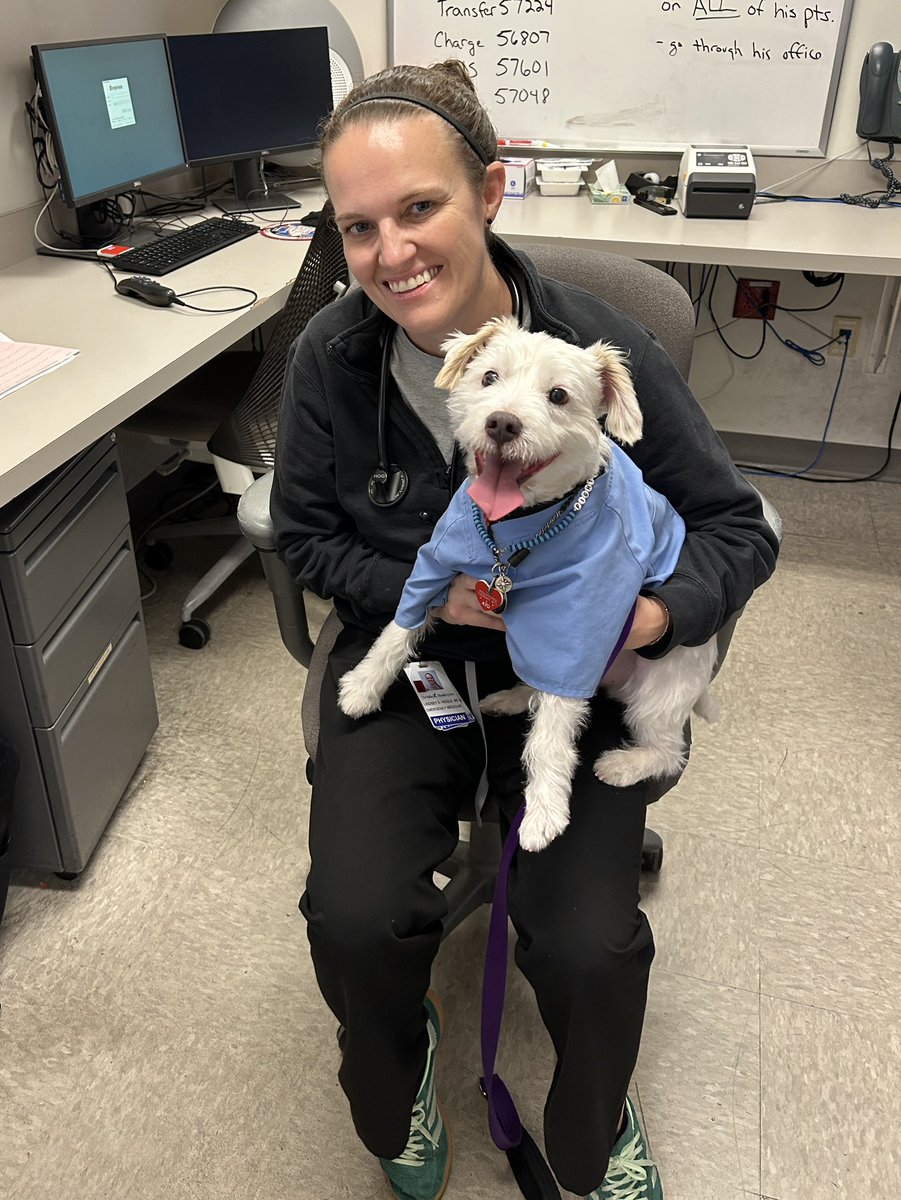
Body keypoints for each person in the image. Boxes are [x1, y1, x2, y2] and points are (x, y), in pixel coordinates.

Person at [270, 60, 778, 1200]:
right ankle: (395, 1074)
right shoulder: (328, 359)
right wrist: (430, 595)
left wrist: (648, 615)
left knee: (591, 944)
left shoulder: (597, 350)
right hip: (421, 653)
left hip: (581, 670)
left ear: (489, 193)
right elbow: (303, 536)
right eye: (358, 227)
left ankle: (593, 1125)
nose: (391, 252)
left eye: (420, 207)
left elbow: (735, 528)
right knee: (354, 918)